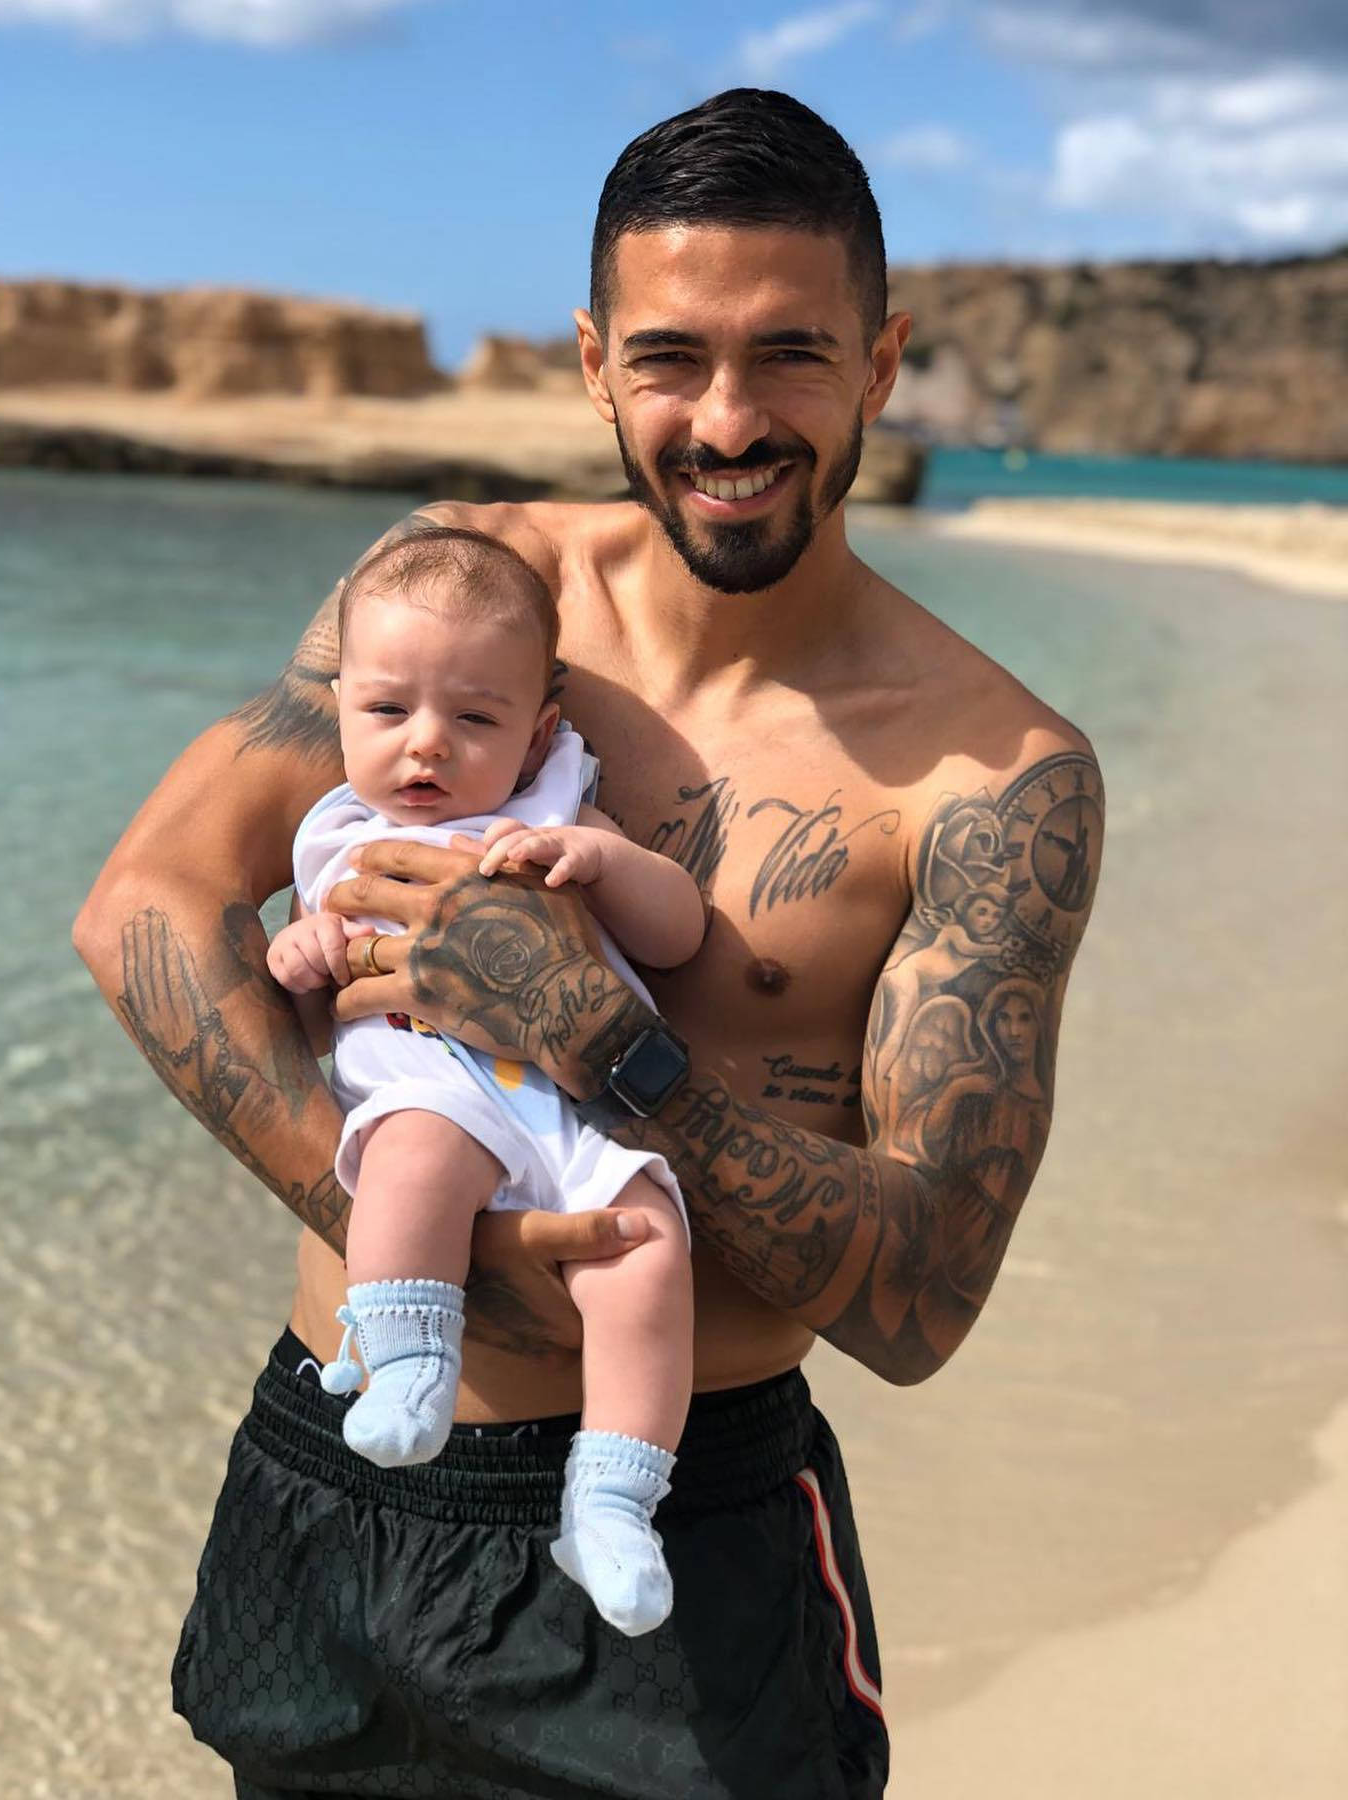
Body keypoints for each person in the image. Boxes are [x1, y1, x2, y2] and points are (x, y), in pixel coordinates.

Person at [76, 87, 1103, 1800]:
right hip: (335, 1483)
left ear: (885, 359)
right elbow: (148, 907)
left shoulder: (997, 777)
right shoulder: (463, 602)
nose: (727, 417)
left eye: (791, 353)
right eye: (668, 357)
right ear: (589, 359)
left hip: (683, 1553)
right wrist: (408, 1235)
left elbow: (923, 1296)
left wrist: (606, 1044)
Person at [265, 523, 702, 1637]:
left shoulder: (554, 815)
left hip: (573, 1104)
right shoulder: (343, 837)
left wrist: (607, 864)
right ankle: (410, 1359)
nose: (427, 748)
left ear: (540, 731)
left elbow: (679, 935)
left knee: (649, 1249)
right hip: (437, 1081)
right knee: (413, 1156)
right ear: (341, 713)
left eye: (474, 718)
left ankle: (613, 1500)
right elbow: (311, 997)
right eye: (388, 712)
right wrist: (302, 955)